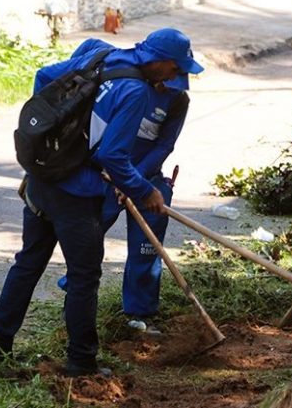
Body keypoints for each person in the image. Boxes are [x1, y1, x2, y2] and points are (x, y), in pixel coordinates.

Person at [0, 28, 203, 377]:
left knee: (28, 263)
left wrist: (49, 142)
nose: (175, 77)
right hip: (76, 191)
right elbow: (113, 157)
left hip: (44, 177)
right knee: (84, 277)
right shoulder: (136, 91)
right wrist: (145, 190)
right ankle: (81, 362)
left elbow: (45, 77)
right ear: (159, 61)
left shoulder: (103, 57)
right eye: (175, 69)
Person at [56, 38, 191, 334]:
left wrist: (136, 181)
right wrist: (120, 179)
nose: (167, 87)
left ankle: (140, 312)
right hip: (106, 174)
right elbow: (87, 49)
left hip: (145, 177)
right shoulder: (130, 83)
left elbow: (164, 145)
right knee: (87, 242)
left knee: (147, 247)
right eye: (165, 81)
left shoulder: (178, 101)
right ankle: (75, 301)